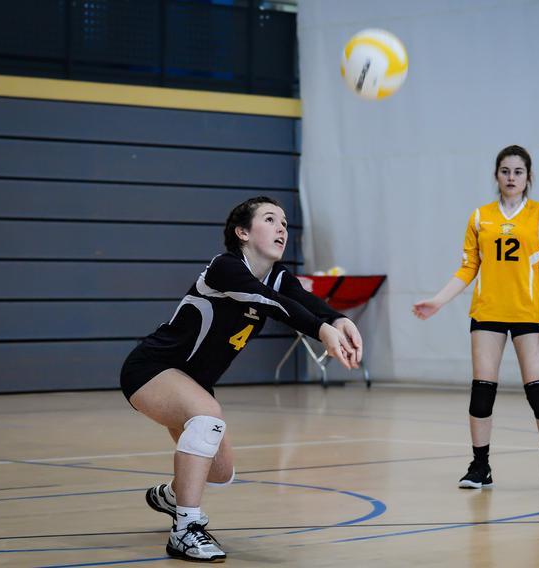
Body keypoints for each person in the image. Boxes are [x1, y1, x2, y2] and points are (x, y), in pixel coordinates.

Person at [120, 197, 363, 562]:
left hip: (192, 382)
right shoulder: (226, 268)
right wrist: (320, 330)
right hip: (151, 369)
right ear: (243, 233)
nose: (282, 227)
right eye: (270, 219)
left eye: (284, 222)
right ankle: (185, 529)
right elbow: (270, 302)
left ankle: (171, 496)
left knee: (220, 473)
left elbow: (300, 298)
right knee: (207, 417)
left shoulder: (278, 276)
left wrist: (338, 319)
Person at [413, 145, 539, 491]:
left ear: (528, 178)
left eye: (518, 172)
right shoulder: (480, 216)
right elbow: (469, 267)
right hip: (488, 313)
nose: (511, 177)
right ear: (496, 175)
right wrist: (438, 301)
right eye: (505, 171)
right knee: (482, 392)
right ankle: (480, 466)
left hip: (529, 314)